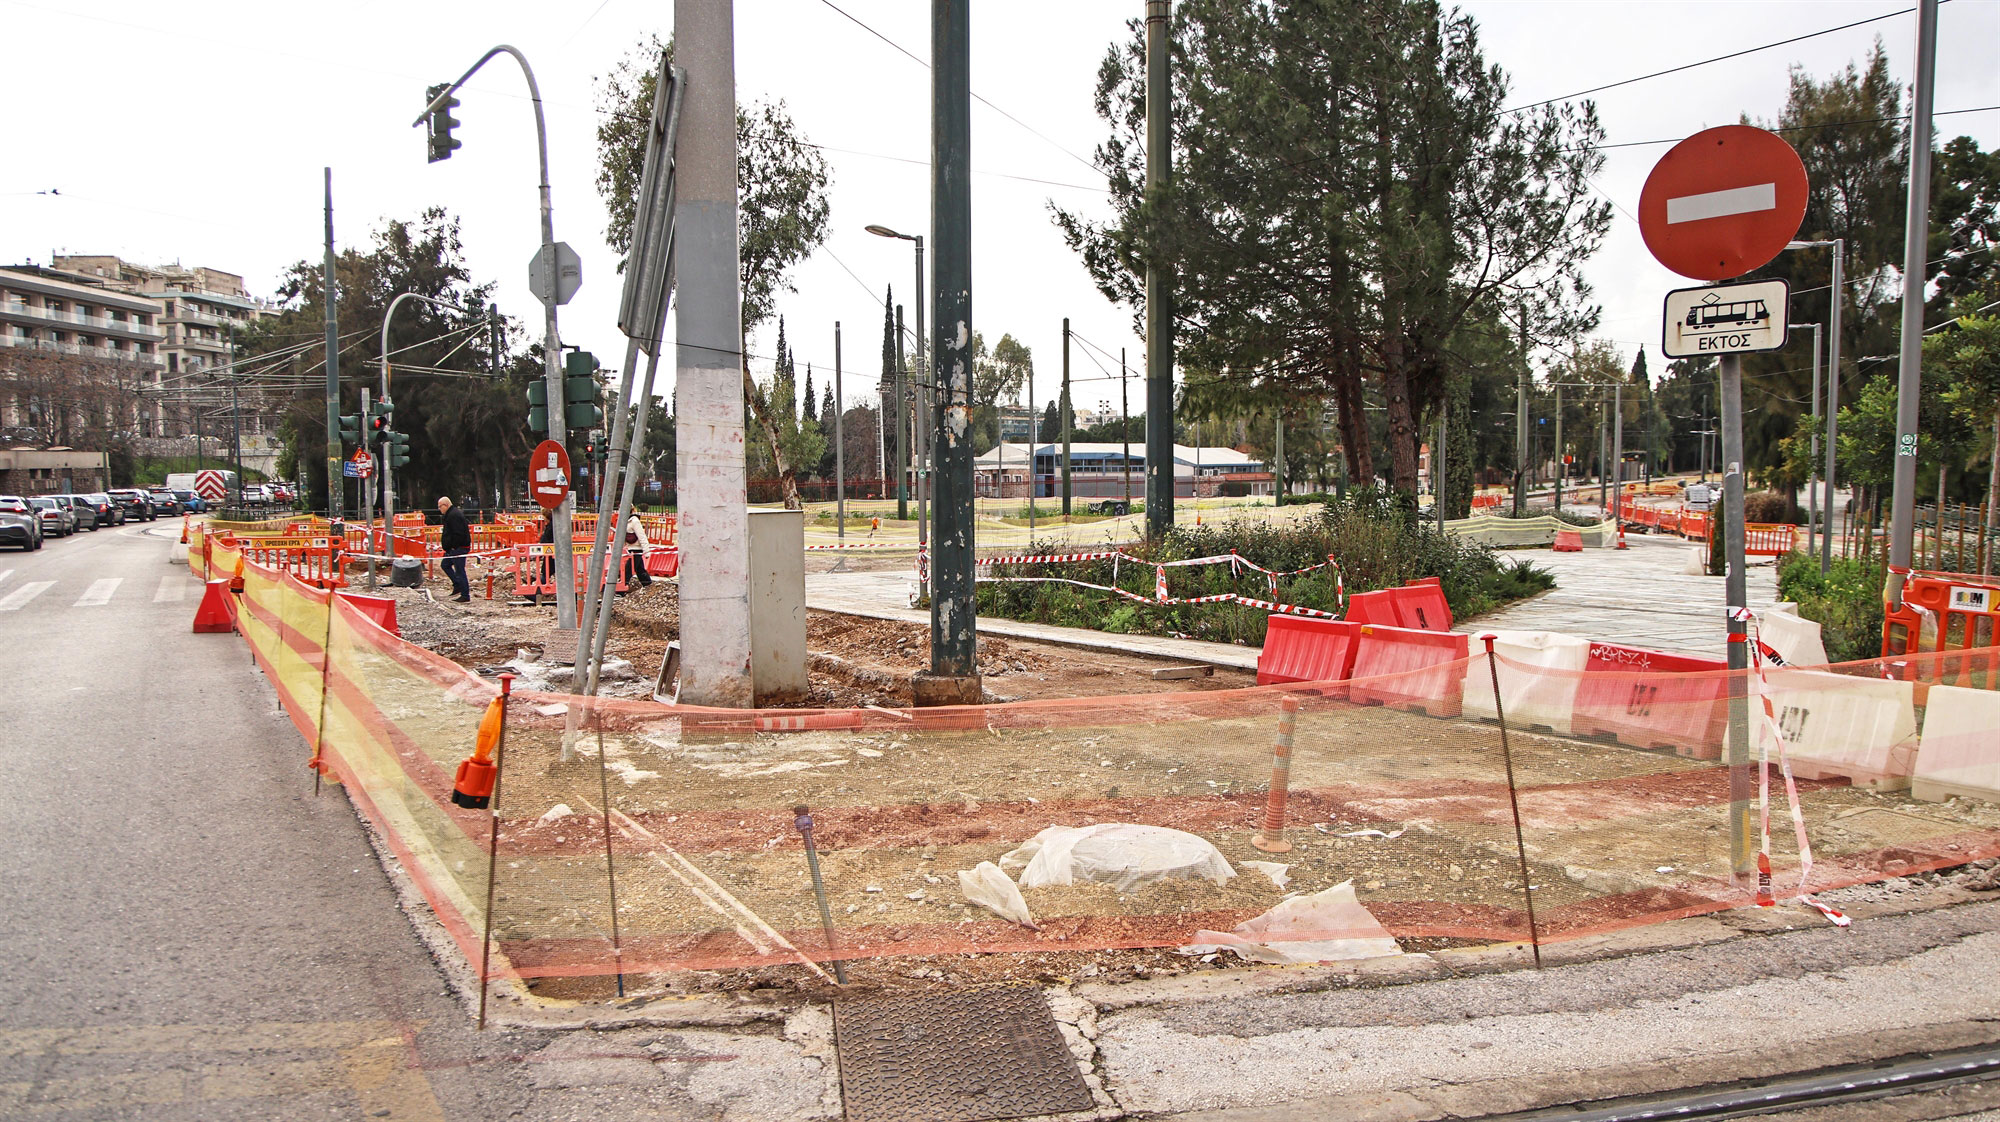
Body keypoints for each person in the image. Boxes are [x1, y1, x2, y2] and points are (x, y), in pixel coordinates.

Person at [438, 496, 471, 603]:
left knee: (460, 570)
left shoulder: (454, 515)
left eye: (440, 506)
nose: (439, 509)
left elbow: (458, 533)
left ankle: (465, 594)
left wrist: (454, 546)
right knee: (445, 565)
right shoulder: (451, 514)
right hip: (454, 548)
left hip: (459, 548)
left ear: (446, 505)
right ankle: (457, 585)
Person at [624, 509, 653, 589]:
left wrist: (646, 551)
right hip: (630, 548)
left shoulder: (634, 521)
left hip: (636, 549)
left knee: (628, 570)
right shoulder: (624, 521)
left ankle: (622, 588)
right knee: (640, 570)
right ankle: (648, 585)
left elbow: (641, 536)